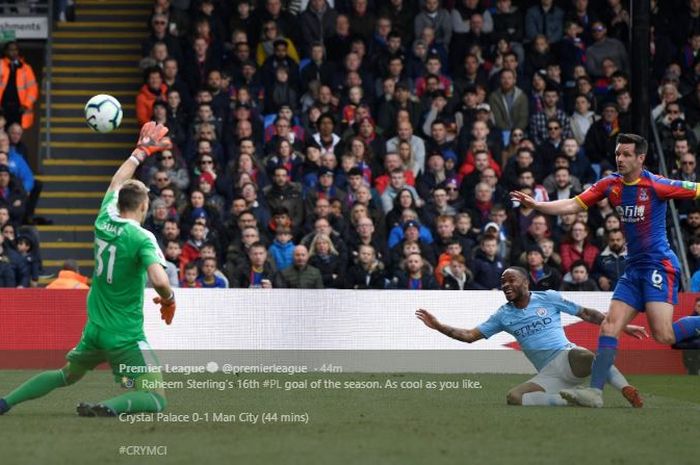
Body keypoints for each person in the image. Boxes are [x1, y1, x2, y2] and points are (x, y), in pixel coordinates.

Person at [510, 133, 700, 408]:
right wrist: (539, 205)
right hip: (633, 268)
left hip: (659, 266)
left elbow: (696, 188)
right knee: (609, 326)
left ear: (640, 158)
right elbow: (574, 203)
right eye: (617, 154)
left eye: (625, 154)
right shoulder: (610, 184)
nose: (620, 159)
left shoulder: (657, 185)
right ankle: (595, 393)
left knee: (664, 335)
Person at [0, 122, 175, 417]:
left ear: (119, 202)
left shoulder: (104, 219)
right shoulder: (141, 237)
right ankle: (106, 408)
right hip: (125, 335)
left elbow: (115, 182)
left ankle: (5, 402)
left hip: (95, 330)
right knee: (157, 398)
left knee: (65, 375)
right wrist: (168, 298)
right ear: (143, 206)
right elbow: (158, 279)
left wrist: (139, 153)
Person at [416, 267, 645, 407]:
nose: (506, 285)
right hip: (548, 374)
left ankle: (626, 389)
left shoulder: (548, 297)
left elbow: (587, 313)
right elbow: (468, 336)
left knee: (584, 354)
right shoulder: (503, 315)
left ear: (525, 283)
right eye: (503, 282)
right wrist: (438, 326)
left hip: (567, 358)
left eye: (511, 280)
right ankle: (569, 399)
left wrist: (621, 326)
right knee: (514, 398)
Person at [0, 42, 39, 130]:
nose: (14, 52)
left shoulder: (26, 68)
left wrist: (26, 105)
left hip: (19, 109)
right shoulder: (1, 65)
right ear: (6, 51)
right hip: (3, 107)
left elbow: (33, 89)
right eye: (11, 50)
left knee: (15, 134)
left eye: (16, 50)